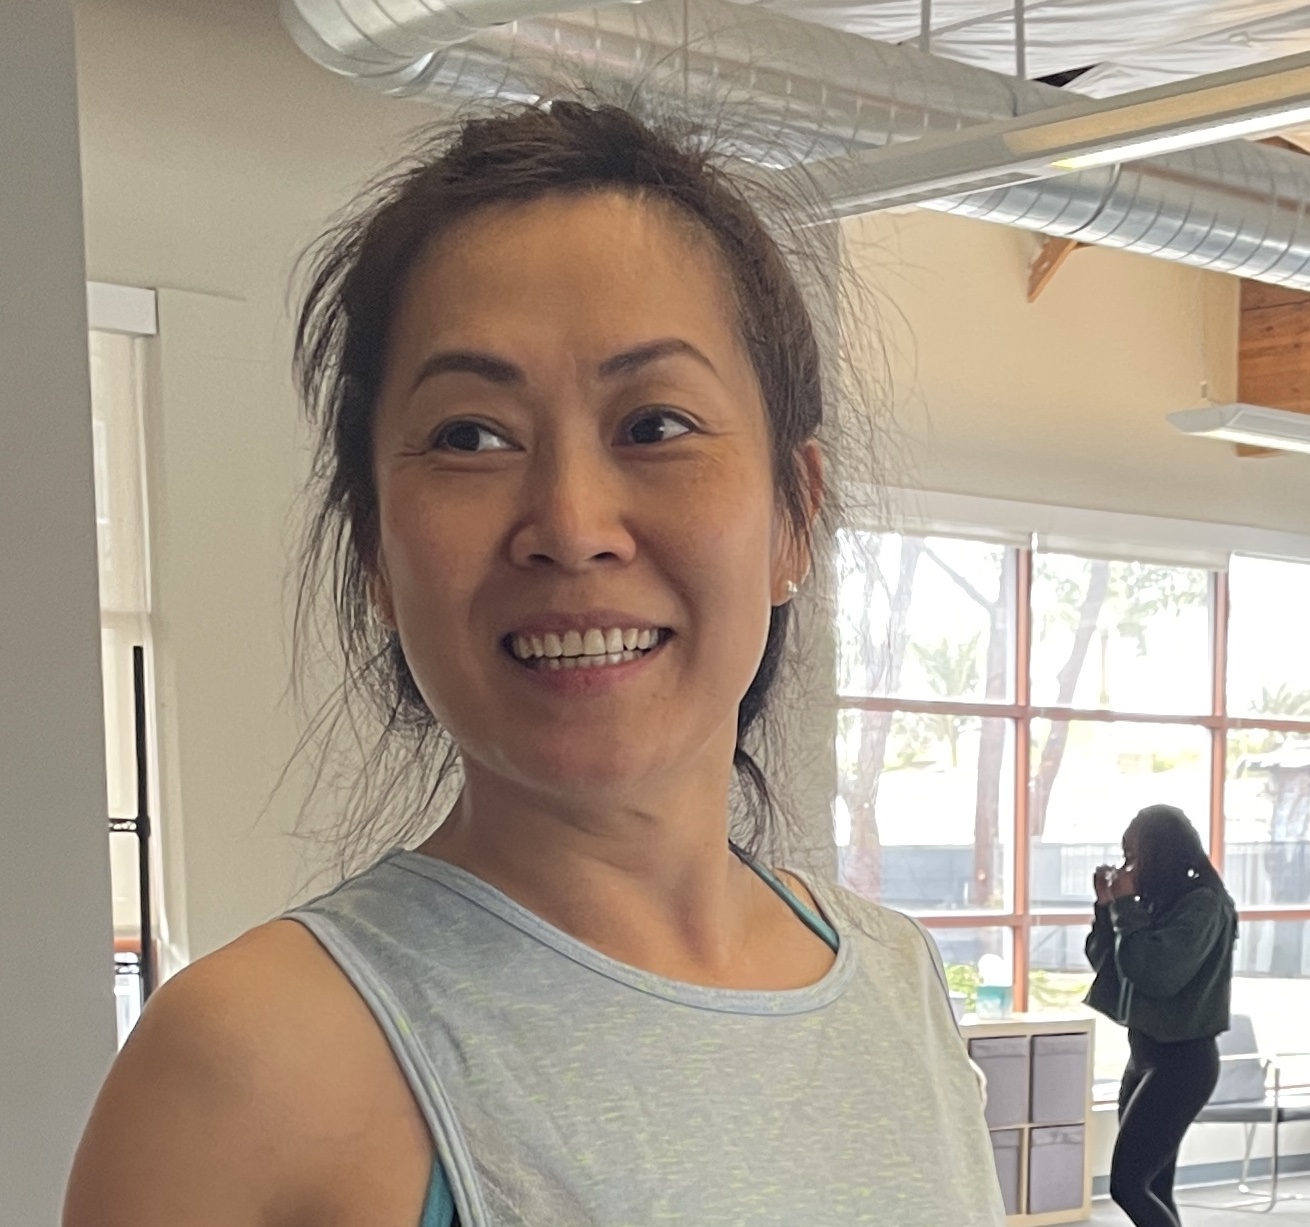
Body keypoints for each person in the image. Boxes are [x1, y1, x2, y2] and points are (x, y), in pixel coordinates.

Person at [64, 101, 1006, 1227]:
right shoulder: (249, 1067)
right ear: (374, 547)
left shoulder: (898, 987)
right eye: (470, 435)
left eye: (655, 425)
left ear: (792, 518)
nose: (570, 523)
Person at [1086, 803, 1238, 1227]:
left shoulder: (1203, 905)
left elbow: (1155, 973)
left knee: (1128, 1185)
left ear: (1161, 854)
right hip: (1145, 1053)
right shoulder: (1156, 902)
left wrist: (1126, 907)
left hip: (1183, 1061)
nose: (1127, 868)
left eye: (1134, 857)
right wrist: (1107, 908)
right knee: (1153, 1186)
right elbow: (1110, 964)